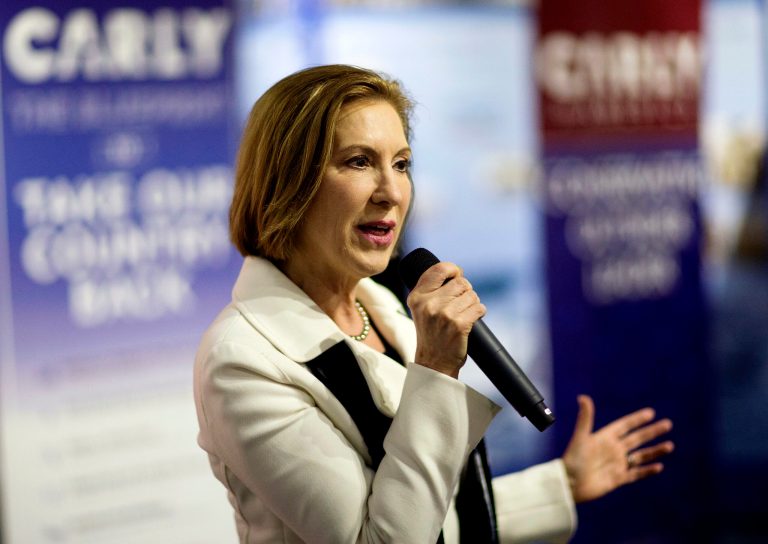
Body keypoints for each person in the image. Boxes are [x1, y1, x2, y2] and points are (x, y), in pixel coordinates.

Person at [193, 64, 674, 544]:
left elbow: (428, 508)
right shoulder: (242, 359)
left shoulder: (377, 307)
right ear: (288, 182)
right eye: (359, 162)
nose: (392, 192)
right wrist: (437, 367)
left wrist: (561, 486)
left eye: (401, 164)